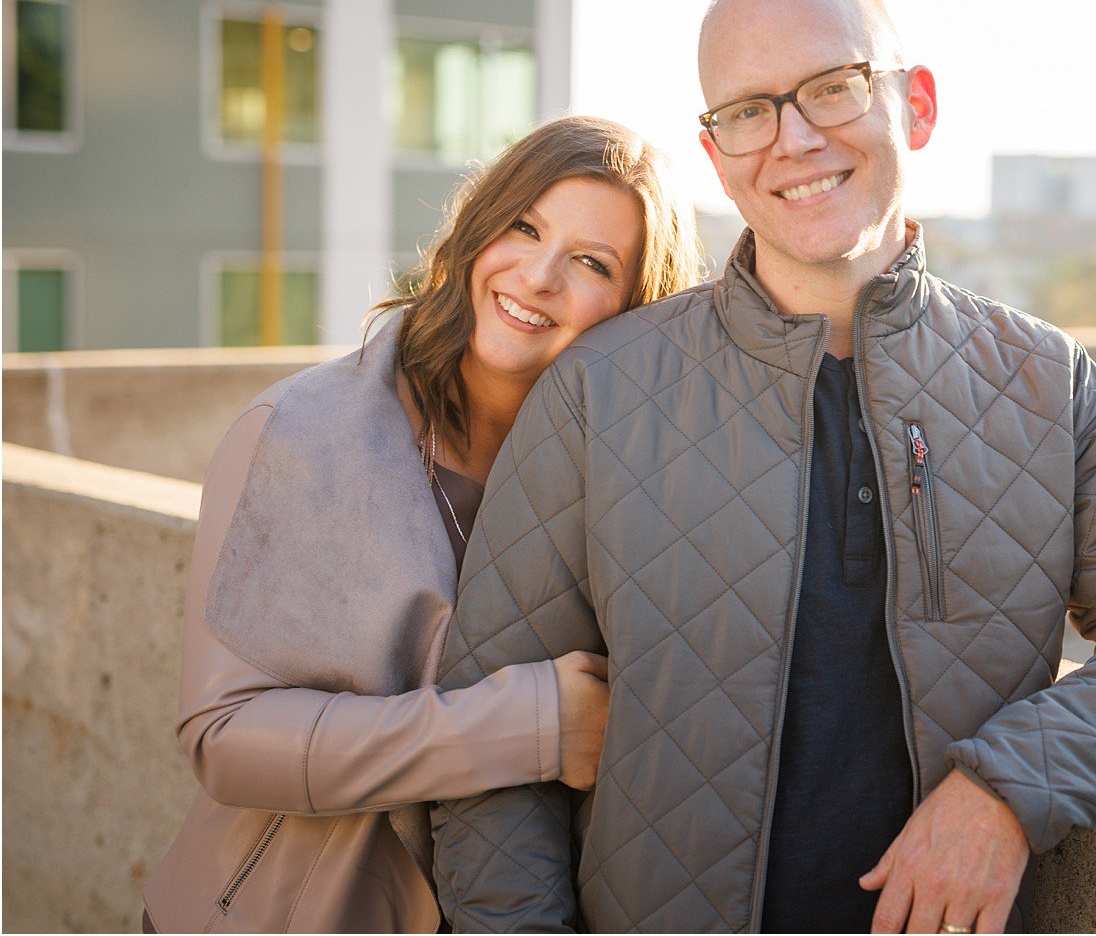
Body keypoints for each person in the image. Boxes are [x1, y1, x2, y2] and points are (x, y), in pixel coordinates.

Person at [431, 0, 1096, 934]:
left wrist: (1003, 788)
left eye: (831, 87)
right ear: (716, 155)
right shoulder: (597, 390)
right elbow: (489, 746)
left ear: (915, 105)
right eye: (747, 110)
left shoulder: (1045, 382)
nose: (793, 138)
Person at [140, 116, 701, 933]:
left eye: (590, 261)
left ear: (636, 305)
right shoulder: (300, 429)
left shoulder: (631, 482)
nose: (538, 274)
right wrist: (530, 724)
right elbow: (223, 736)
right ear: (480, 229)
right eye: (524, 226)